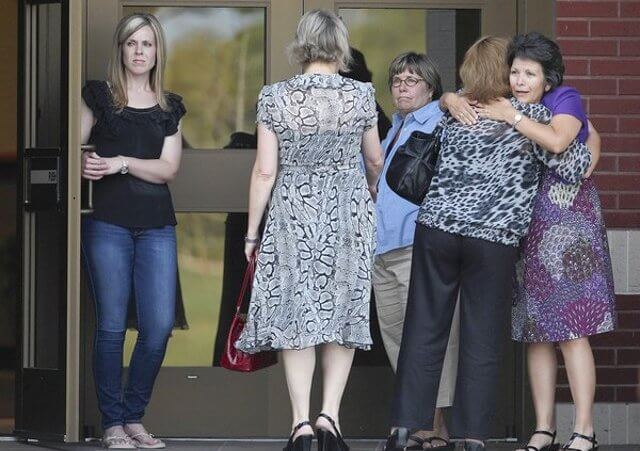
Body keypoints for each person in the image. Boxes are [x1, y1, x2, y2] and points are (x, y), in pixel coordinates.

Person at [384, 37, 592, 451]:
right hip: (491, 240)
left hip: (437, 230)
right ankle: (472, 435)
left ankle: (406, 427)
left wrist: (447, 99)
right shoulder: (530, 116)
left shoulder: (455, 113)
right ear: (504, 72)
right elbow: (575, 165)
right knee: (481, 335)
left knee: (423, 327)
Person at [235, 9, 383, 451]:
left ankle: (300, 423)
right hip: (348, 215)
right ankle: (329, 418)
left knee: (294, 315)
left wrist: (250, 232)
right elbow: (374, 159)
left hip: (292, 215)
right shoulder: (361, 96)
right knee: (342, 313)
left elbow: (264, 171)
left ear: (302, 44)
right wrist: (369, 190)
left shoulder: (275, 97)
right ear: (340, 44)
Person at [467, 32, 614, 451]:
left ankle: (584, 430)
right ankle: (543, 428)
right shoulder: (506, 100)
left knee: (572, 329)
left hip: (569, 230)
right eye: (514, 71)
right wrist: (449, 101)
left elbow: (560, 140)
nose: (520, 79)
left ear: (547, 78)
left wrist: (511, 117)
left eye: (530, 73)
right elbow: (459, 99)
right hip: (528, 230)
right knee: (536, 331)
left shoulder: (564, 98)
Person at [80, 13, 186, 449]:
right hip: (107, 223)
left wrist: (121, 162)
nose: (139, 51)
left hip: (156, 226)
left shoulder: (169, 107)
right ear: (120, 49)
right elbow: (76, 149)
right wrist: (86, 163)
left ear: (158, 51)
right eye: (131, 44)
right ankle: (112, 423)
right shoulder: (99, 97)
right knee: (109, 327)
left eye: (147, 44)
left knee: (158, 326)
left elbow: (168, 169)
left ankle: (133, 416)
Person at [373, 51, 459, 451]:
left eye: (412, 79)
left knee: (426, 339)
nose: (403, 85)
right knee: (398, 341)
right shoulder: (394, 129)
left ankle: (431, 429)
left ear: (430, 88)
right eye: (397, 79)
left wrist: (448, 99)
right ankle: (419, 421)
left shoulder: (441, 122)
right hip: (382, 250)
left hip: (415, 247)